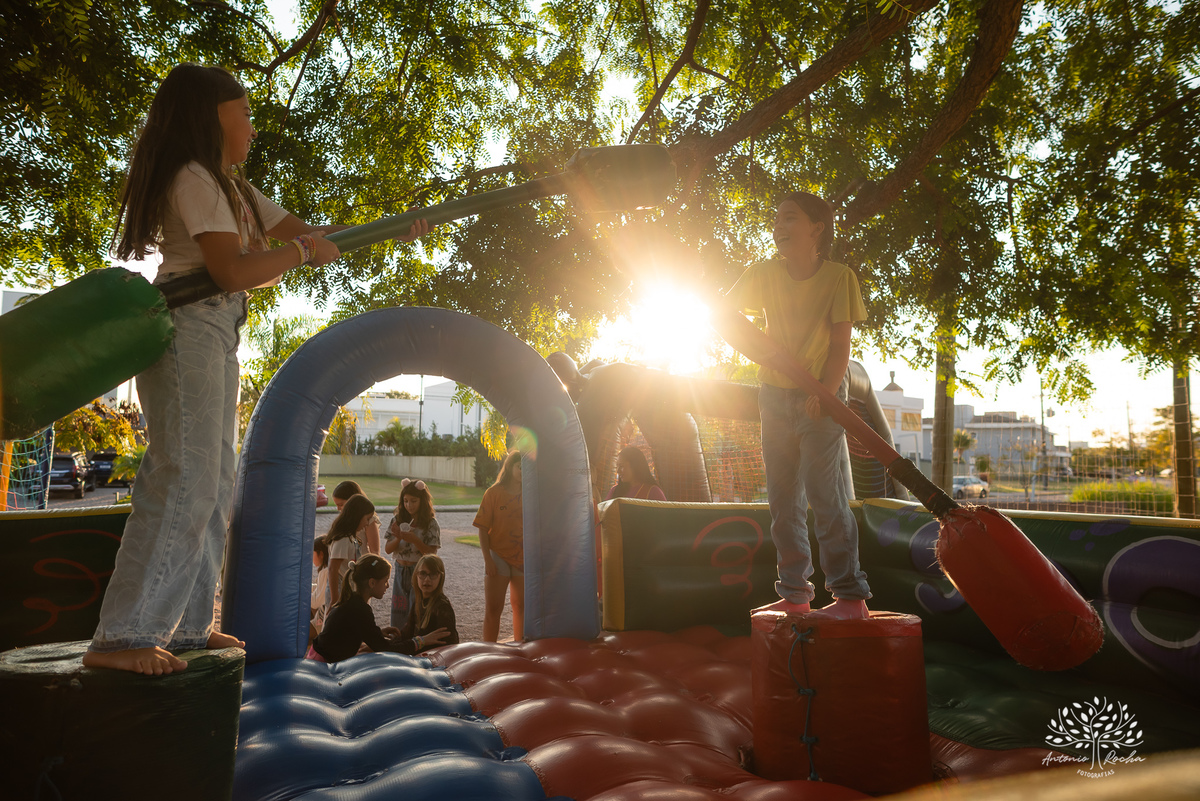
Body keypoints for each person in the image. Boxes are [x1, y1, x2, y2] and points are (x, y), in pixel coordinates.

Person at [81, 64, 429, 675]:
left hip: (217, 333)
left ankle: (188, 628)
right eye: (244, 113)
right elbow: (232, 271)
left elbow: (318, 237)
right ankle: (121, 636)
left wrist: (402, 228)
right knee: (183, 481)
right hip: (187, 330)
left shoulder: (234, 188)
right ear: (213, 116)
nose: (252, 127)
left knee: (214, 486)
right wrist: (298, 253)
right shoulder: (192, 177)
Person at [723, 191, 871, 621]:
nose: (779, 226)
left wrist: (824, 393)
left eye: (789, 218)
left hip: (820, 396)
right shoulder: (763, 274)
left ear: (816, 228)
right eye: (776, 219)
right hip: (773, 394)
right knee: (782, 497)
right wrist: (762, 354)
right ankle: (794, 593)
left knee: (825, 494)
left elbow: (841, 343)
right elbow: (722, 315)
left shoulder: (839, 277)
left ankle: (849, 597)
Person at [307, 555, 450, 662]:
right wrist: (422, 640)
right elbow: (385, 648)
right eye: (385, 581)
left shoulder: (353, 602)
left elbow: (354, 631)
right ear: (372, 583)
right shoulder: (360, 609)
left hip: (318, 657)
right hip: (324, 664)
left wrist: (377, 633)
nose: (387, 586)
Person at [473, 450, 525, 642]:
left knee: (521, 607)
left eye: (527, 467)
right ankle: (488, 649)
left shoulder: (532, 495)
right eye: (520, 467)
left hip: (523, 558)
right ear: (510, 467)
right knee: (494, 608)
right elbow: (482, 529)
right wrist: (488, 560)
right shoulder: (493, 493)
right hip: (498, 557)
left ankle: (521, 647)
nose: (523, 471)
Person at [384, 478, 441, 629]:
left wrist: (415, 540)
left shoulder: (430, 523)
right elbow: (388, 549)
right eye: (406, 501)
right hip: (401, 570)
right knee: (399, 610)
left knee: (417, 610)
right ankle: (397, 640)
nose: (409, 505)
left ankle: (417, 641)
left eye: (414, 501)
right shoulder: (397, 520)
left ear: (422, 501)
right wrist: (398, 537)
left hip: (419, 571)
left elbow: (432, 553)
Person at [399, 554, 459, 652]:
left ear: (441, 577)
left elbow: (449, 646)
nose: (427, 579)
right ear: (416, 575)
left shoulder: (442, 607)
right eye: (423, 573)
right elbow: (406, 635)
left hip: (432, 662)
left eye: (433, 574)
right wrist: (382, 645)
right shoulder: (418, 602)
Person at [326, 494, 377, 606]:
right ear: (357, 516)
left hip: (352, 591)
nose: (367, 524)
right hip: (343, 595)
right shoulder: (343, 539)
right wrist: (335, 599)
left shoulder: (353, 537)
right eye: (367, 519)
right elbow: (333, 569)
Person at [332, 480, 381, 554]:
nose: (338, 509)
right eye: (337, 505)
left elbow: (375, 551)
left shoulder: (369, 521)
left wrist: (372, 564)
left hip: (362, 561)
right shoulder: (343, 520)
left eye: (341, 505)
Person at [310, 535, 330, 642]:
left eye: (312, 553)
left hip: (324, 616)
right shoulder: (327, 569)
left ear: (321, 554)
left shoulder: (325, 572)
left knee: (297, 634)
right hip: (325, 611)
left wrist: (302, 593)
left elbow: (315, 602)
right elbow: (319, 590)